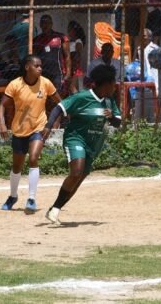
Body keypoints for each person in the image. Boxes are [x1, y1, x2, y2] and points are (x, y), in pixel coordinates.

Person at [43, 63, 121, 225]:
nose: (115, 87)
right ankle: (56, 209)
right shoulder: (83, 97)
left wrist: (112, 117)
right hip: (75, 138)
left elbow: (118, 123)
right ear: (106, 84)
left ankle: (55, 208)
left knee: (79, 178)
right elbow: (59, 107)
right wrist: (48, 126)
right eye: (114, 83)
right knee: (76, 171)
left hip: (93, 145)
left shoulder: (109, 102)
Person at [0, 55, 61, 213]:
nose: (40, 68)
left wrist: (54, 122)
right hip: (19, 130)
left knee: (33, 158)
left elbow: (60, 104)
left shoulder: (45, 83)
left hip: (38, 127)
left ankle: (31, 198)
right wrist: (3, 124)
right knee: (17, 167)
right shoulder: (15, 84)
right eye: (37, 65)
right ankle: (13, 196)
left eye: (41, 66)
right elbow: (2, 105)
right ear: (27, 67)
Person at [33, 15, 69, 94]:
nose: (45, 25)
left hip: (58, 73)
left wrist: (68, 73)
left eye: (47, 23)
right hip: (42, 74)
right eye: (43, 23)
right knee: (43, 97)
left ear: (51, 24)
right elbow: (33, 58)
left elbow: (67, 56)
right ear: (40, 25)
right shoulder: (36, 40)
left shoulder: (61, 38)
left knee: (58, 96)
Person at [67, 21, 87, 94]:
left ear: (75, 31)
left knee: (72, 87)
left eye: (70, 30)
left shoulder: (78, 41)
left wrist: (74, 66)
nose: (68, 31)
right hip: (70, 67)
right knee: (70, 87)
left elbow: (78, 54)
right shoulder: (70, 41)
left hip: (75, 68)